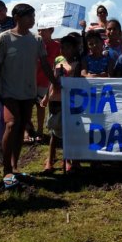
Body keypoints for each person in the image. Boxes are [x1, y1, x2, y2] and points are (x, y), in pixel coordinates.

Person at [0, 3, 58, 182]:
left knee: (21, 127)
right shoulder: (4, 39)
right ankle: (6, 169)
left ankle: (14, 165)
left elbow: (45, 64)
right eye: (30, 17)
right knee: (12, 124)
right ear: (18, 18)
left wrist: (55, 83)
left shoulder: (36, 40)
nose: (33, 20)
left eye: (33, 17)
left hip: (28, 91)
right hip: (8, 91)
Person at [41, 35, 81, 174]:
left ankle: (69, 160)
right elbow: (52, 79)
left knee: (69, 131)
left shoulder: (78, 64)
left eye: (68, 47)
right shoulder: (58, 60)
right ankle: (49, 160)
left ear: (75, 48)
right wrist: (46, 96)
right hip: (55, 100)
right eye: (62, 47)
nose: (64, 50)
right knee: (54, 133)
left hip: (69, 101)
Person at [27, 26, 60, 144]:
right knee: (27, 106)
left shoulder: (57, 46)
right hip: (30, 79)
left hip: (46, 81)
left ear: (51, 30)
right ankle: (28, 131)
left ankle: (40, 130)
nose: (40, 32)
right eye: (39, 30)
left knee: (41, 106)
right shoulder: (33, 44)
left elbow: (58, 63)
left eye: (43, 30)